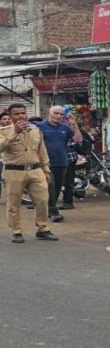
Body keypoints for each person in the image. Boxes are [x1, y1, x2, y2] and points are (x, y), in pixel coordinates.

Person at [0, 103, 57, 243]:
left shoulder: (35, 130)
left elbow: (42, 150)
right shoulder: (4, 131)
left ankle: (43, 228)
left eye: (23, 113)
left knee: (43, 200)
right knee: (13, 203)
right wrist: (15, 132)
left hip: (35, 170)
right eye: (16, 114)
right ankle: (16, 231)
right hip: (14, 171)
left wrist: (46, 169)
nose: (21, 116)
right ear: (11, 116)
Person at [37, 106, 82, 223]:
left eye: (61, 114)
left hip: (62, 162)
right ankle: (53, 211)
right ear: (50, 113)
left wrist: (75, 125)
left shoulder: (65, 128)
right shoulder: (40, 126)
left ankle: (49, 209)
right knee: (50, 186)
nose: (58, 116)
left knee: (56, 188)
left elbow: (78, 139)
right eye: (56, 113)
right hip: (45, 163)